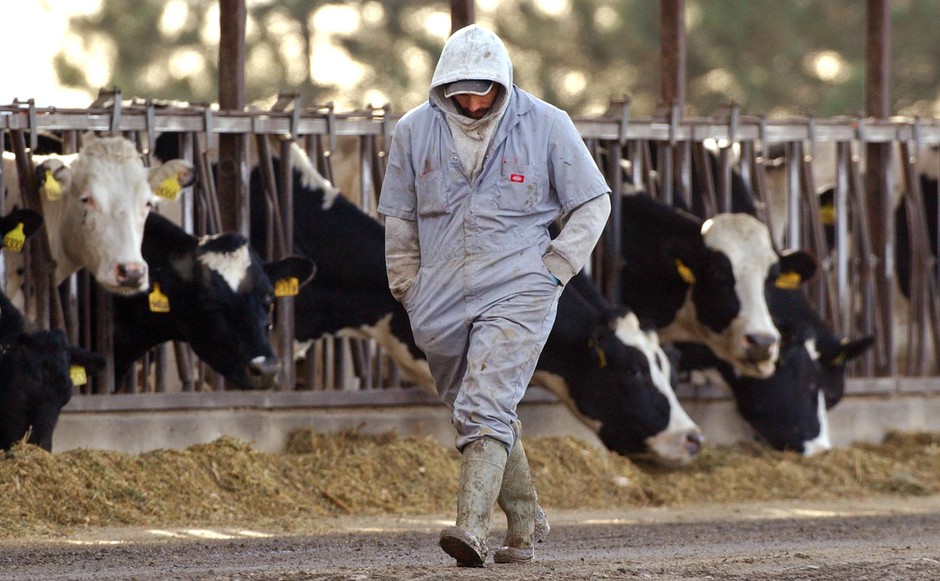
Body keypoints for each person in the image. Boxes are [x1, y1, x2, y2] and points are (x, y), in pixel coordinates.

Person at [378, 24, 611, 567]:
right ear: (442, 84)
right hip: (436, 293)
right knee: (476, 408)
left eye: (482, 87)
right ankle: (526, 523)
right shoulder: (414, 132)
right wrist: (407, 286)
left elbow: (592, 203)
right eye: (460, 87)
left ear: (502, 83)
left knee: (485, 405)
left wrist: (553, 270)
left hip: (519, 285)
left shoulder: (550, 125)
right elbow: (399, 218)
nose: (471, 97)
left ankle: (472, 531)